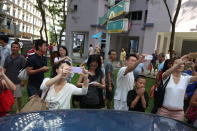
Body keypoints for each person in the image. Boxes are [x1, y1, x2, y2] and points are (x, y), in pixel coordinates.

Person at [157, 55, 197, 121]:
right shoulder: (167, 76)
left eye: (182, 64)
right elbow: (166, 73)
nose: (180, 65)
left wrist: (193, 68)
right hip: (164, 111)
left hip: (178, 113)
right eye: (177, 63)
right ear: (172, 65)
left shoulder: (186, 78)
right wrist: (179, 61)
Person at [4, 42, 26, 113]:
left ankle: (19, 109)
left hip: (17, 81)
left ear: (19, 48)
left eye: (16, 47)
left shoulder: (22, 58)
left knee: (18, 96)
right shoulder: (8, 57)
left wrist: (23, 80)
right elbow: (5, 68)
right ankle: (9, 107)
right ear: (11, 48)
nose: (15, 48)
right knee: (9, 96)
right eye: (13, 47)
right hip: (8, 81)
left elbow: (24, 70)